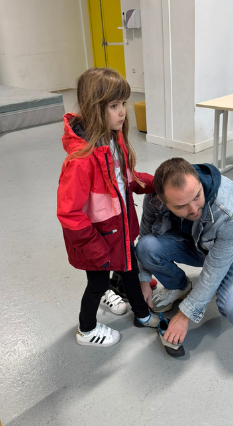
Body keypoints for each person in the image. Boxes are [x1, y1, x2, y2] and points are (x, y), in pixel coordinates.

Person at [56, 67, 158, 348]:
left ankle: (140, 313)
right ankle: (86, 330)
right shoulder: (80, 160)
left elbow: (125, 180)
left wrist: (156, 184)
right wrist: (97, 250)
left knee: (129, 268)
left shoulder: (115, 140)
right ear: (93, 108)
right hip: (97, 240)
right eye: (114, 106)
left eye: (123, 103)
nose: (122, 112)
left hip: (118, 232)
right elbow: (69, 213)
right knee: (97, 285)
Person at [136, 158, 233, 357]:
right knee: (146, 246)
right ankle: (180, 286)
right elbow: (146, 232)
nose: (193, 209)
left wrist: (184, 315)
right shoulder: (154, 199)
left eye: (197, 196)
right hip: (195, 245)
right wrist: (143, 280)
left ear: (199, 182)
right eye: (181, 206)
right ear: (161, 198)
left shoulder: (228, 208)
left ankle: (228, 283)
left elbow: (217, 265)